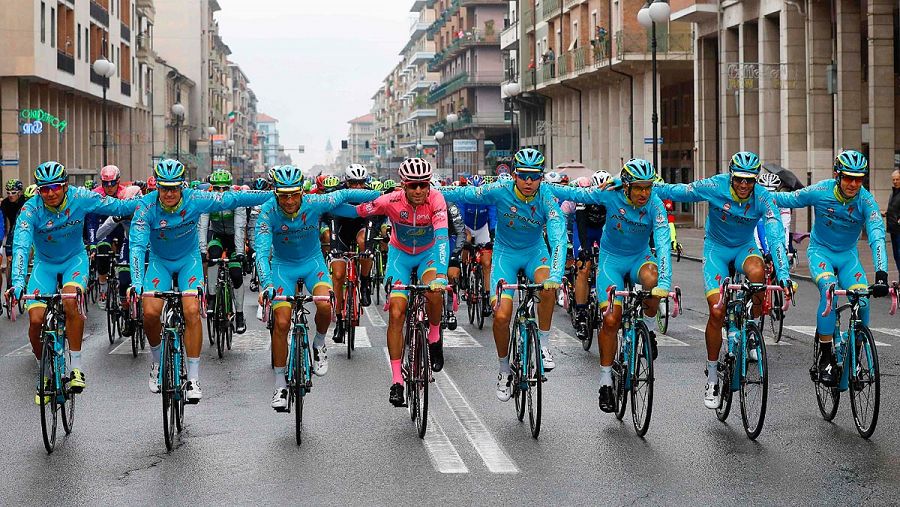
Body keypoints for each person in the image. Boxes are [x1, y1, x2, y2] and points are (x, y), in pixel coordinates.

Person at [654, 151, 792, 409]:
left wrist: (783, 274)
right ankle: (713, 376)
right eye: (739, 179)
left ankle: (750, 324)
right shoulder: (715, 186)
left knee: (758, 272)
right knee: (717, 312)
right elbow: (681, 191)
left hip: (744, 248)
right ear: (731, 176)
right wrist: (648, 185)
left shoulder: (763, 197)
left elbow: (774, 237)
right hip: (716, 250)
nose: (744, 185)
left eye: (750, 180)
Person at [129, 159, 271, 403]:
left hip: (188, 262)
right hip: (159, 263)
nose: (170, 193)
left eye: (175, 188)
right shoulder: (145, 206)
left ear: (183, 186)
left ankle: (193, 378)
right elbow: (137, 246)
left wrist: (272, 194)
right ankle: (156, 361)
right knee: (150, 313)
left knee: (192, 309)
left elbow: (235, 200)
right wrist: (137, 282)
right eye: (164, 188)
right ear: (158, 188)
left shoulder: (196, 198)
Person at [440, 148, 566, 402]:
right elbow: (465, 193)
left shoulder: (547, 197)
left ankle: (543, 345)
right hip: (504, 255)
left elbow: (558, 238)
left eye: (534, 176)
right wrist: (432, 191)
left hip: (535, 253)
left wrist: (556, 274)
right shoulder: (500, 189)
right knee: (501, 315)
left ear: (541, 177)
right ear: (515, 174)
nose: (529, 182)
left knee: (548, 286)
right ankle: (504, 370)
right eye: (523, 176)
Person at [551, 159, 672, 411]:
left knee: (653, 278)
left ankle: (648, 329)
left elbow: (661, 243)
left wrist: (665, 281)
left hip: (641, 258)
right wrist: (543, 186)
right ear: (626, 187)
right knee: (611, 319)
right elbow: (574, 194)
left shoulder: (655, 204)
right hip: (611, 262)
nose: (643, 193)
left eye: (648, 187)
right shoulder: (610, 195)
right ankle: (605, 382)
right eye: (638, 188)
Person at [8, 162, 133, 403]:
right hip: (44, 266)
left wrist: (150, 202)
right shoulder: (30, 210)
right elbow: (22, 247)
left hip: (74, 261)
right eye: (44, 189)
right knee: (35, 321)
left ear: (65, 186)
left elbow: (118, 205)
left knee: (70, 301)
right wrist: (17, 283)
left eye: (55, 187)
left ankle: (75, 367)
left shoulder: (80, 197)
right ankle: (44, 370)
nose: (50, 193)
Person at [255, 165, 378, 410]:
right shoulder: (268, 212)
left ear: (302, 192)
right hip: (282, 268)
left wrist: (391, 194)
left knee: (324, 303)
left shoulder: (314, 202)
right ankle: (280, 384)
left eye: (294, 194)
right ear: (276, 194)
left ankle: (319, 343)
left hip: (313, 264)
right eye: (283, 195)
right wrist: (266, 284)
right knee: (281, 322)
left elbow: (346, 199)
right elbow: (261, 252)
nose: (289, 201)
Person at [339, 158, 449, 406]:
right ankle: (397, 380)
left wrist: (441, 274)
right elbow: (357, 211)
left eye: (423, 185)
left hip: (429, 255)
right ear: (404, 185)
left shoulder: (436, 199)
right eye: (413, 186)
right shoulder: (390, 201)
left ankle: (434, 337)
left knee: (434, 291)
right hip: (400, 257)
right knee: (397, 313)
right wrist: (325, 205)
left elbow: (442, 237)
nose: (419, 191)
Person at [773, 150, 889, 385]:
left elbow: (877, 235)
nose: (853, 184)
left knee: (863, 299)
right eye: (848, 177)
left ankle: (854, 354)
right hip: (820, 253)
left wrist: (881, 275)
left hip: (848, 257)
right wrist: (756, 195)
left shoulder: (866, 201)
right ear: (837, 175)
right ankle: (826, 357)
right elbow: (790, 199)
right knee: (829, 291)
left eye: (859, 179)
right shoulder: (821, 191)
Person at [327, 164, 377, 343]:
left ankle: (364, 282)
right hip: (340, 229)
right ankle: (340, 320)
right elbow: (332, 221)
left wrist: (369, 249)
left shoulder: (371, 194)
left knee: (364, 243)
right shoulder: (337, 194)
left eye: (361, 183)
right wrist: (334, 248)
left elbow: (371, 222)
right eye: (353, 183)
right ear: (346, 182)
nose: (358, 188)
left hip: (361, 228)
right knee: (338, 275)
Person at [199, 169, 249, 333]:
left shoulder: (237, 200)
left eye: (225, 188)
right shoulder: (207, 199)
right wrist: (202, 250)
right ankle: (212, 297)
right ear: (212, 188)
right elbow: (203, 226)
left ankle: (240, 315)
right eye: (217, 188)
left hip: (234, 238)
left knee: (235, 274)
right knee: (212, 256)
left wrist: (240, 252)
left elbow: (240, 227)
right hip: (218, 236)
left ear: (230, 188)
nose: (221, 192)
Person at [1, 179, 23, 289]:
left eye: (13, 193)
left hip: (26, 228)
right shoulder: (5, 203)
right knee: (10, 257)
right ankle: (10, 286)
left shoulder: (25, 201)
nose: (10, 195)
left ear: (20, 193)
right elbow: (2, 221)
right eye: (8, 192)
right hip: (13, 229)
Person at [887, 169, 900, 278]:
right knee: (896, 256)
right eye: (893, 179)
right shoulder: (893, 193)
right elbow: (894, 209)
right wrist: (886, 213)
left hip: (899, 230)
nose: (895, 181)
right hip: (893, 229)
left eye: (897, 179)